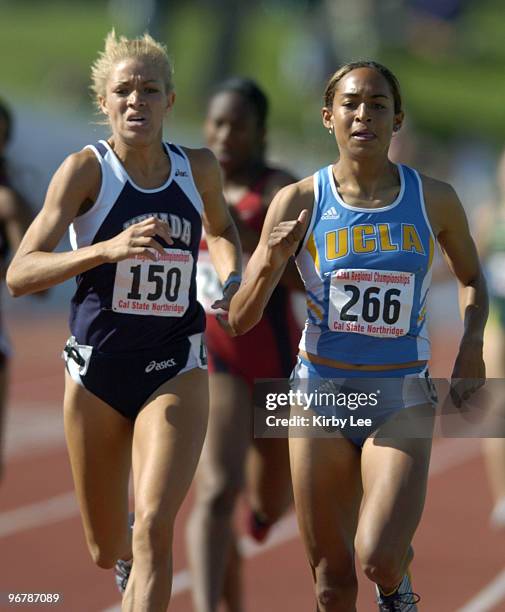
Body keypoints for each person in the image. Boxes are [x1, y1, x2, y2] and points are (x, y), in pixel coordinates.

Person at [227, 60, 487, 611]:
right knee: (331, 582)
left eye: (377, 104)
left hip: (399, 398)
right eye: (350, 103)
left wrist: (470, 346)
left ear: (397, 121)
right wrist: (272, 258)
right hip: (319, 396)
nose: (363, 113)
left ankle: (397, 590)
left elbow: (472, 278)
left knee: (378, 556)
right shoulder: (299, 201)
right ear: (328, 117)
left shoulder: (433, 198)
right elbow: (240, 318)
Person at [6, 31, 241, 612]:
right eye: (124, 92)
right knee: (106, 546)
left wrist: (231, 278)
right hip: (96, 374)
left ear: (170, 101)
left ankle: (143, 553)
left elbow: (221, 230)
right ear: (105, 103)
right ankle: (126, 561)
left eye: (149, 90)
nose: (137, 101)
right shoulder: (87, 171)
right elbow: (21, 272)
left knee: (155, 524)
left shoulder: (199, 169)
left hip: (173, 363)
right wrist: (104, 250)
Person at [187, 77, 300, 612]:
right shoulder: (187, 184)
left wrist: (268, 259)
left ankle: (256, 520)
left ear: (260, 133)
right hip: (217, 357)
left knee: (270, 506)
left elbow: (314, 277)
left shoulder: (281, 191)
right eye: (217, 124)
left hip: (277, 364)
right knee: (215, 491)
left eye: (238, 125)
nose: (225, 135)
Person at [0, 99, 35, 481]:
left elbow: (32, 285)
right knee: (219, 487)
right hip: (224, 365)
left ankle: (265, 515)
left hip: (269, 369)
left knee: (267, 495)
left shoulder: (271, 194)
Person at [475, 148, 505, 528]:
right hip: (498, 324)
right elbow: (469, 265)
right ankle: (501, 495)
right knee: (496, 409)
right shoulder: (489, 217)